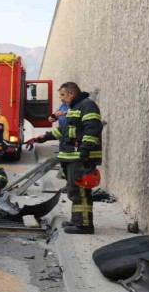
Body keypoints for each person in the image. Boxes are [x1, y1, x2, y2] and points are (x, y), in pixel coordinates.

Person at [25, 82, 102, 234]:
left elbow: (93, 128)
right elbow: (64, 131)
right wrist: (42, 138)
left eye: (62, 95)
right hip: (71, 157)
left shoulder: (87, 106)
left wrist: (85, 150)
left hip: (79, 157)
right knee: (74, 190)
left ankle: (84, 225)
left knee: (80, 191)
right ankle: (77, 220)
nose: (61, 98)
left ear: (71, 94)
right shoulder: (74, 108)